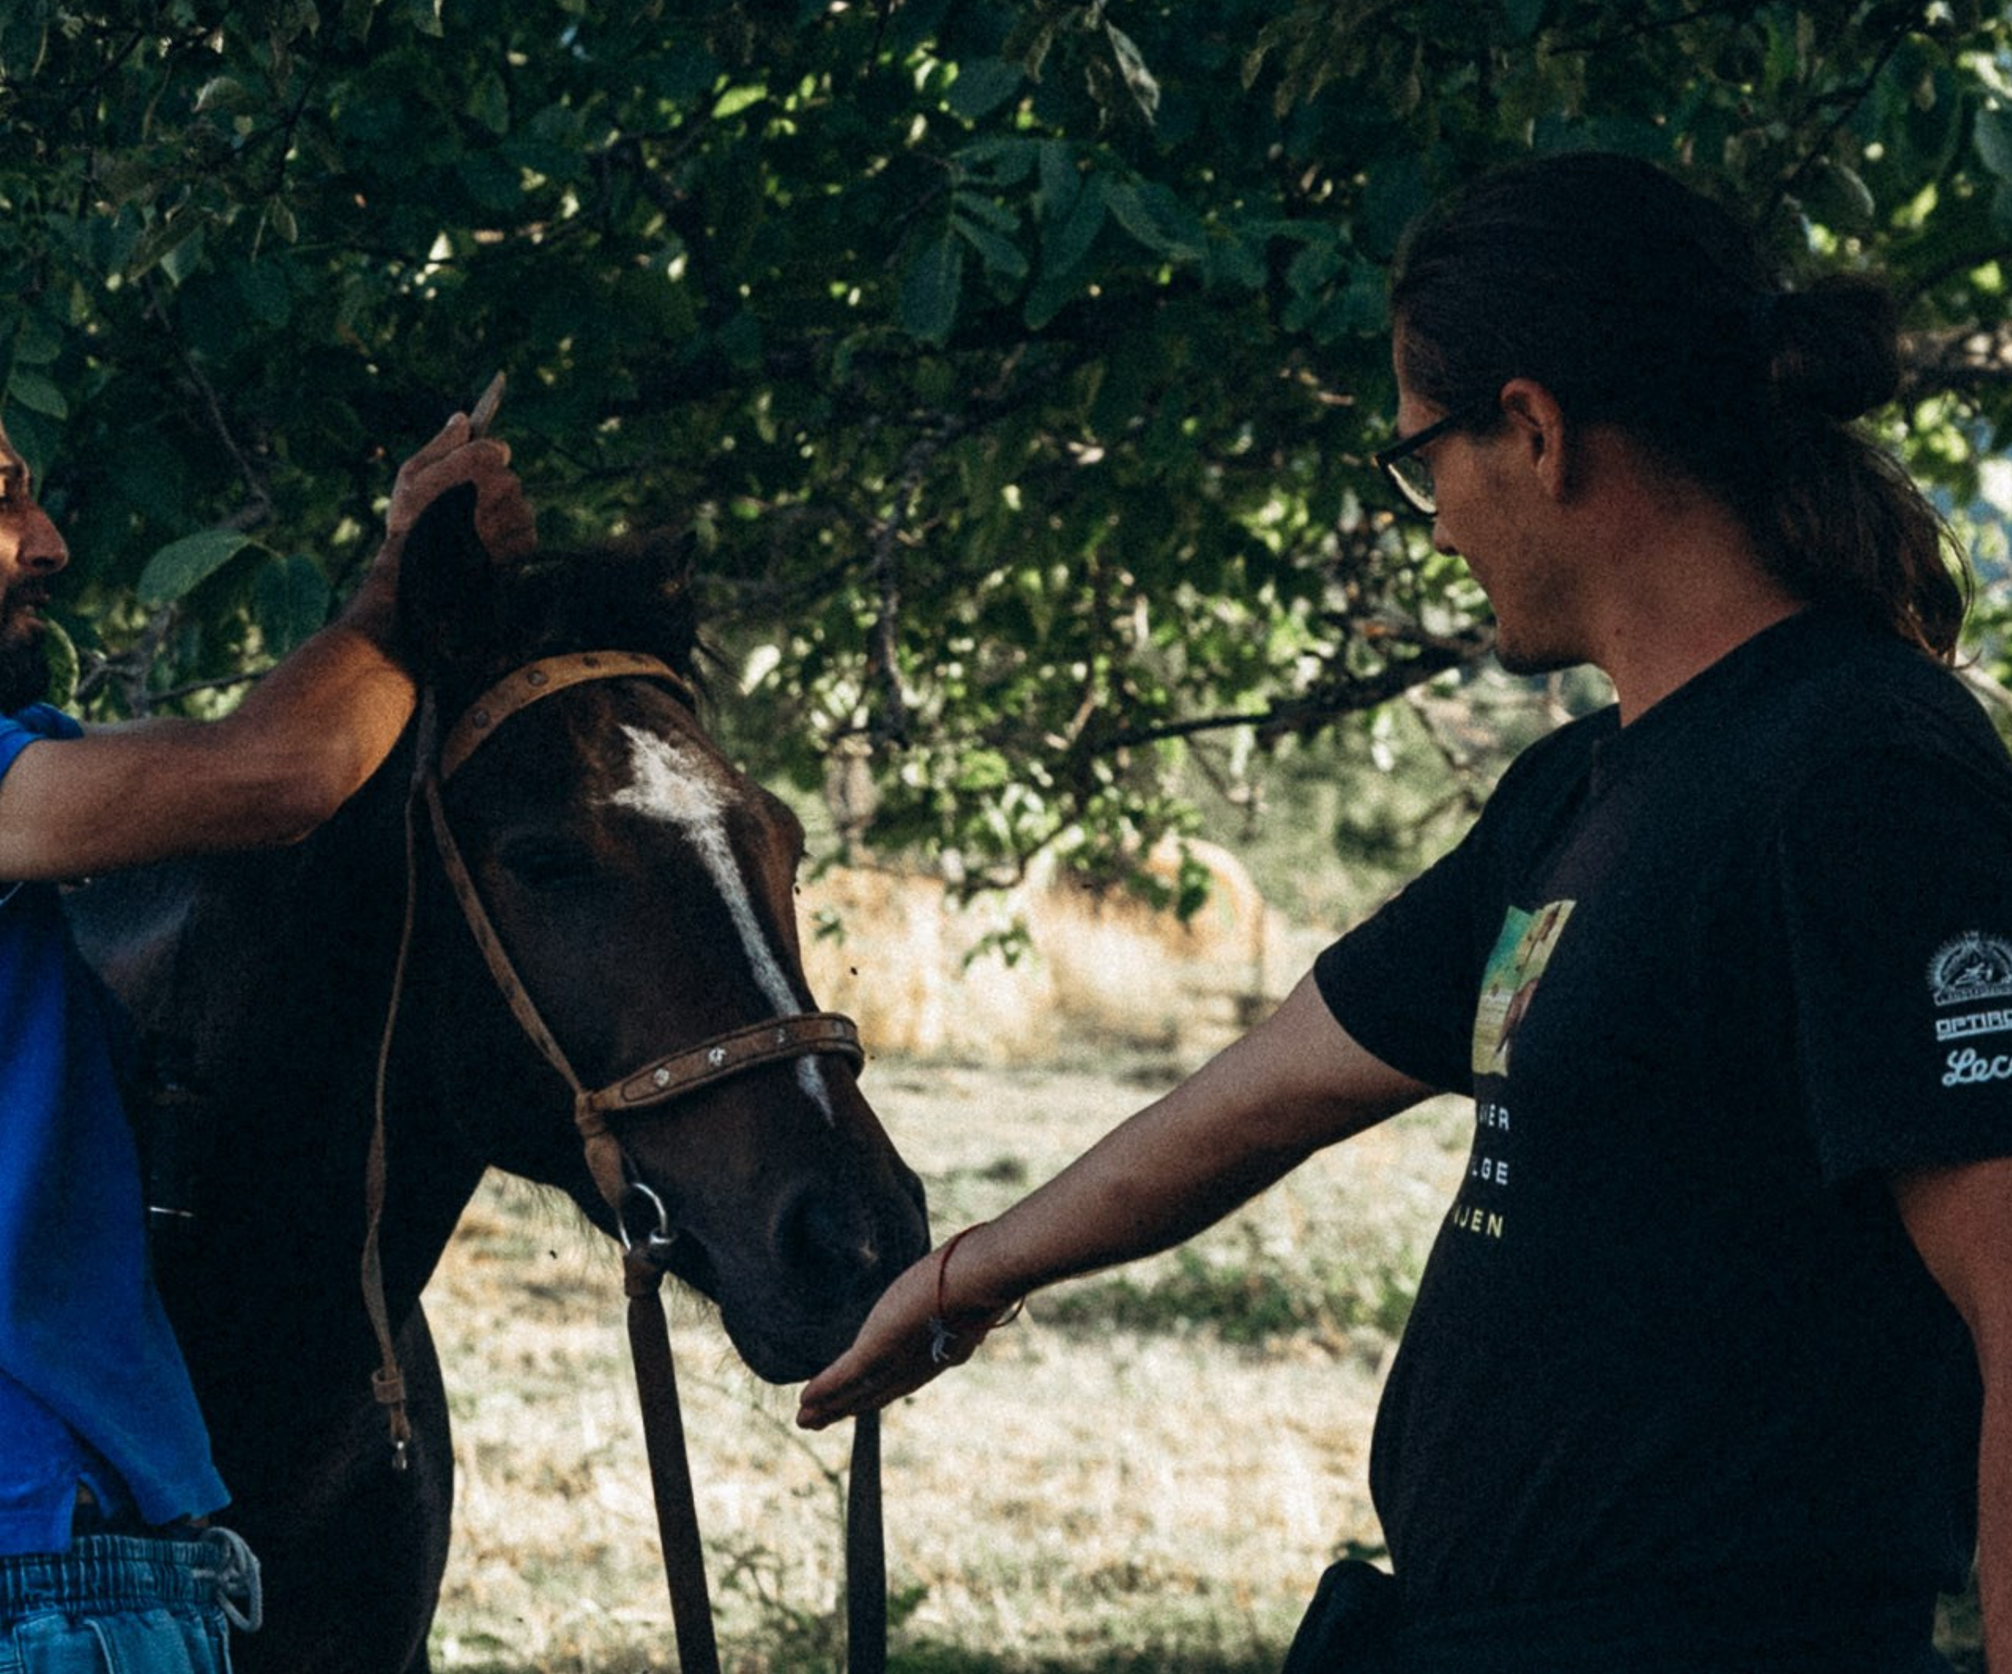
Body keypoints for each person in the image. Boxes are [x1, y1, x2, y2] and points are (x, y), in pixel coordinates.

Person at [799, 152, 2012, 1674]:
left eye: (1421, 457)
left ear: (1535, 430)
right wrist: (972, 1274)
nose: (1431, 522)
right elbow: (1275, 1090)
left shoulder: (1862, 776)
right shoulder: (1585, 787)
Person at [0, 355, 533, 1674]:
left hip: (88, 1574)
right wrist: (400, 589)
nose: (49, 543)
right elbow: (280, 774)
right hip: (25, 1592)